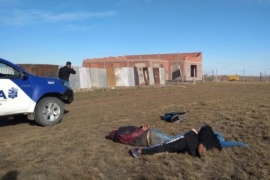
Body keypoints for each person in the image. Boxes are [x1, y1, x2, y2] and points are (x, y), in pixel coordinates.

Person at [108, 125, 248, 148]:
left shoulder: (118, 136)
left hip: (150, 138)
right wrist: (142, 128)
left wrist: (140, 130)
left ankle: (213, 137)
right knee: (177, 137)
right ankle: (215, 135)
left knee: (176, 139)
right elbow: (132, 132)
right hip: (152, 133)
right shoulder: (121, 129)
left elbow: (129, 138)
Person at [130, 125, 223, 158]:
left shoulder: (213, 137)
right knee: (169, 143)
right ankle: (144, 149)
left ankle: (140, 151)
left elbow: (206, 128)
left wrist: (201, 144)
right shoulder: (216, 142)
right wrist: (202, 144)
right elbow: (206, 128)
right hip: (191, 143)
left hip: (188, 139)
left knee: (167, 144)